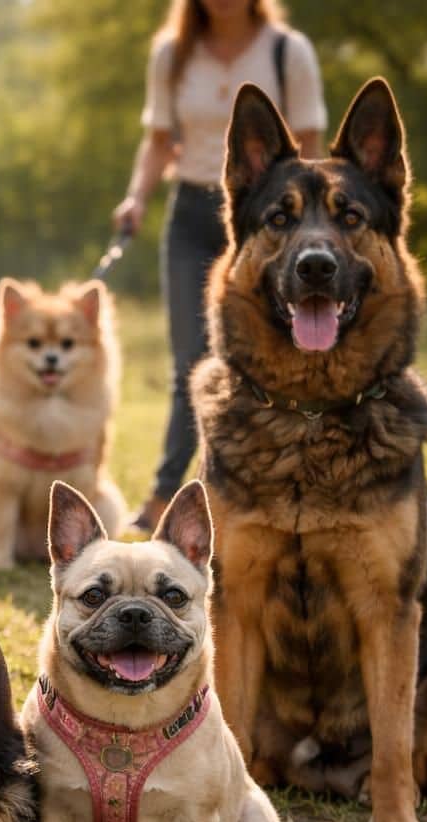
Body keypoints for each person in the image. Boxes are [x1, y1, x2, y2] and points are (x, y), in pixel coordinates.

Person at [115, 0, 326, 531]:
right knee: (190, 358)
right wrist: (137, 198)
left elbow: (312, 146)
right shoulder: (172, 53)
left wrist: (311, 226)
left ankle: (265, 486)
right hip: (191, 213)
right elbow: (159, 141)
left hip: (271, 219)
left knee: (273, 352)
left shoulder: (286, 52)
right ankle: (166, 494)